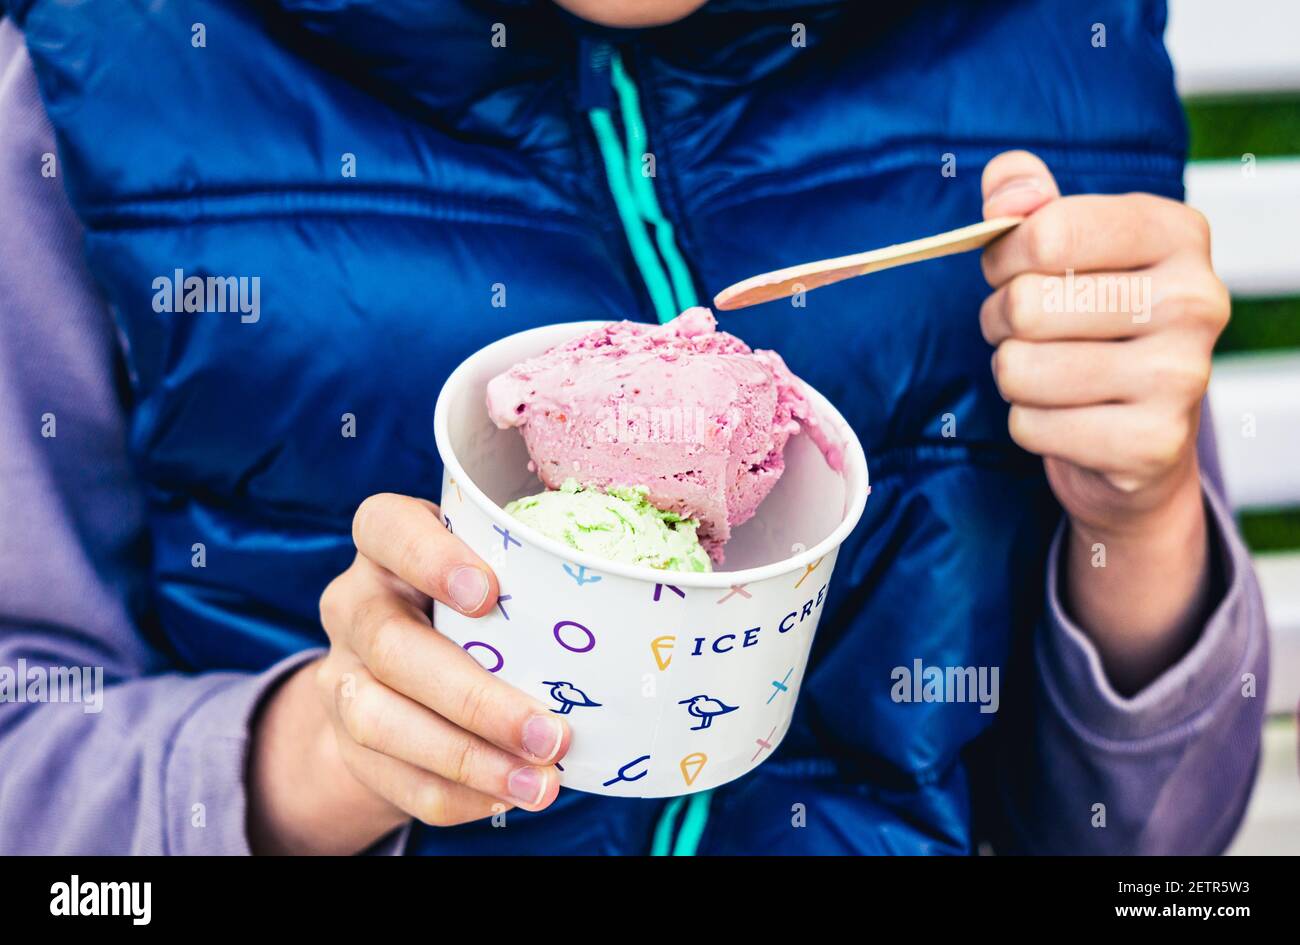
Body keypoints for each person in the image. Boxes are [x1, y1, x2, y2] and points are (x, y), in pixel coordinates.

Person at [0, 0, 1267, 855]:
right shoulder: (107, 76)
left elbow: (1159, 838)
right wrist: (316, 755)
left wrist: (1136, 527)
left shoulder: (1054, 59)